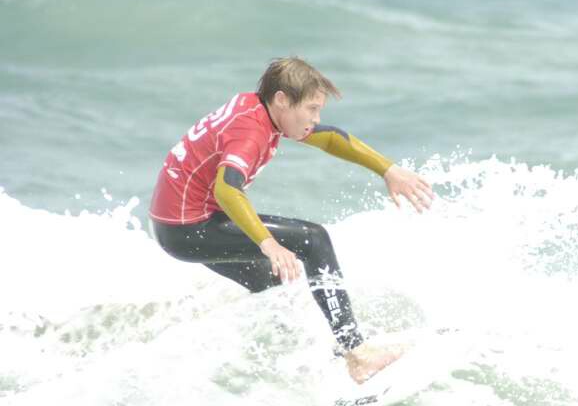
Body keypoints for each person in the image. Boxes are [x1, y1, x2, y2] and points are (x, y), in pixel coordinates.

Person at [149, 57, 433, 384]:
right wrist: (268, 244)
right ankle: (357, 354)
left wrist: (389, 170)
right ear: (282, 99)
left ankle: (289, 365)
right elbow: (228, 189)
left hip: (173, 225)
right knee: (313, 239)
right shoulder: (251, 131)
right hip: (189, 228)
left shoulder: (257, 108)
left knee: (269, 281)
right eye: (311, 109)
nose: (316, 119)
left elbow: (328, 138)